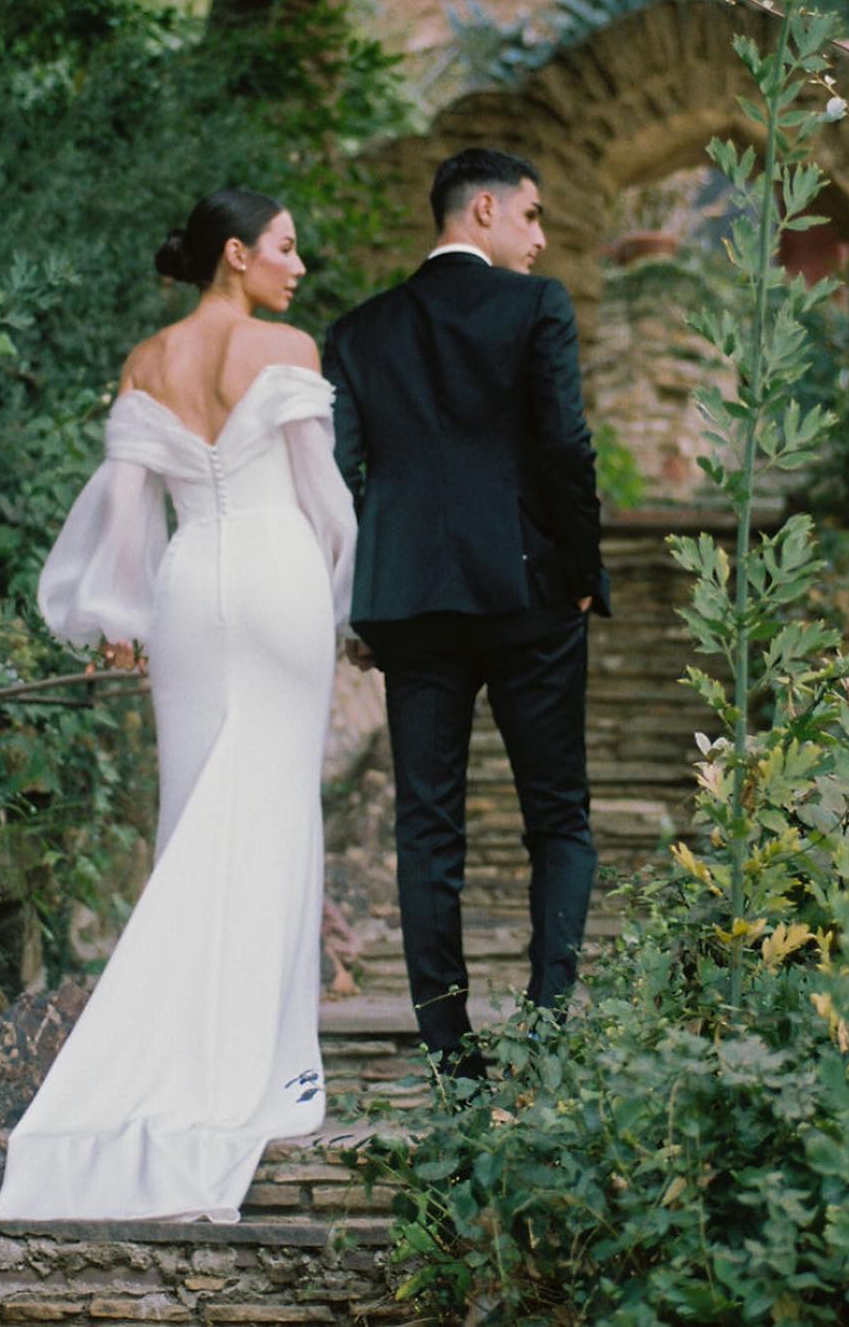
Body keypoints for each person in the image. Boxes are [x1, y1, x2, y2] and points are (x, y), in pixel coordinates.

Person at [0, 189, 355, 1223]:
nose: (299, 262)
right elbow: (323, 500)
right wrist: (340, 593)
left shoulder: (147, 364)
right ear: (236, 254)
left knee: (194, 817)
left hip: (190, 585)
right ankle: (267, 1073)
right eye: (285, 243)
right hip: (275, 576)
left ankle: (189, 1051)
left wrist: (117, 614)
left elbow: (122, 512)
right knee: (273, 816)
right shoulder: (289, 349)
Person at [323, 147, 609, 1077]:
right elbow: (564, 445)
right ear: (483, 211)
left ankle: (450, 1053)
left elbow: (341, 481)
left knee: (427, 825)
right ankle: (548, 1019)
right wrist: (581, 567)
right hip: (528, 593)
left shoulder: (359, 332)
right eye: (532, 215)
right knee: (558, 815)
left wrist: (366, 599)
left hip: (413, 604)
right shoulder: (536, 307)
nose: (541, 237)